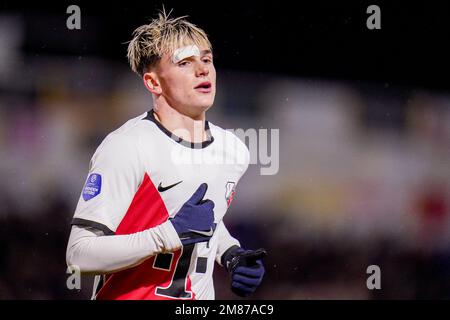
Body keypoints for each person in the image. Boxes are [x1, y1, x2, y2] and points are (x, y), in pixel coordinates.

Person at [66, 9, 266, 300]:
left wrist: (230, 253)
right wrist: (167, 235)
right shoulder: (127, 146)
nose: (203, 70)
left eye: (207, 59)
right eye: (185, 62)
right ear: (153, 83)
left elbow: (200, 216)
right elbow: (79, 256)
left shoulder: (233, 150)